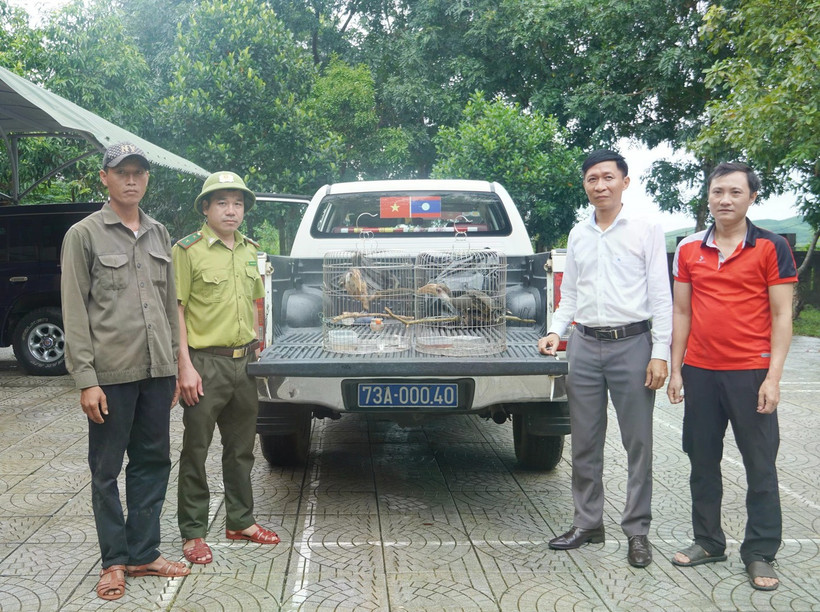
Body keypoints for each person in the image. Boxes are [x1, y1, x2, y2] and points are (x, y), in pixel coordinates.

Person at [60, 142, 190, 601]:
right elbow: (74, 311)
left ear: (147, 178)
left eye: (139, 172)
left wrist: (175, 366)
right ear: (105, 178)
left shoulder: (158, 233)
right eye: (122, 172)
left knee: (153, 462)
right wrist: (86, 380)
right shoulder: (84, 234)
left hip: (157, 372)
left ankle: (143, 553)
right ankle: (113, 561)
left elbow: (169, 304)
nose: (131, 180)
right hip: (111, 375)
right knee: (106, 470)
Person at [538, 149, 672, 568]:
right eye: (592, 179)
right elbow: (570, 295)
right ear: (585, 185)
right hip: (584, 343)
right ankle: (587, 523)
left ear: (625, 182)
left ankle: (637, 531)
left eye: (608, 177)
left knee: (638, 443)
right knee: (584, 440)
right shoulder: (579, 234)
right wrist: (556, 330)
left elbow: (661, 296)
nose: (600, 186)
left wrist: (660, 352)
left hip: (633, 344)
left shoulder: (646, 229)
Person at [667, 162, 796, 591]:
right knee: (702, 460)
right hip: (701, 372)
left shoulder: (772, 246)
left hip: (751, 373)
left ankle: (760, 552)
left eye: (735, 192)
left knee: (760, 464)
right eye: (718, 191)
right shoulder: (689, 249)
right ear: (708, 196)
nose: (725, 199)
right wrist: (676, 369)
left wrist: (773, 378)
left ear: (751, 197)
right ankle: (708, 541)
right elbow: (682, 311)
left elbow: (782, 315)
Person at [174, 171, 280, 565]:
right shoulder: (187, 250)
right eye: (222, 202)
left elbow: (256, 304)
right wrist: (184, 367)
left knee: (241, 450)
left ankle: (240, 521)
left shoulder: (250, 250)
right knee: (196, 450)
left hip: (244, 364)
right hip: (205, 364)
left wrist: (261, 348)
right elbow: (177, 310)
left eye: (237, 203)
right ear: (206, 208)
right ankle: (193, 532)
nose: (231, 210)